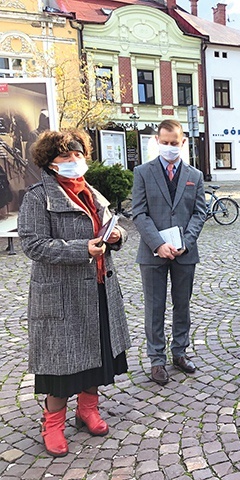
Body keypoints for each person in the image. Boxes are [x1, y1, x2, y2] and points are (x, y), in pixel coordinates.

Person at [17, 129, 130, 457]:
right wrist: (83, 249)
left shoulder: (92, 192)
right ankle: (52, 423)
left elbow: (113, 226)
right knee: (60, 363)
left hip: (98, 288)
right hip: (61, 294)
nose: (73, 161)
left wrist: (116, 236)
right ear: (50, 162)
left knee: (95, 356)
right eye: (65, 156)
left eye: (78, 154)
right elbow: (33, 244)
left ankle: (88, 409)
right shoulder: (38, 197)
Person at [131, 119, 206, 385]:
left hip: (185, 252)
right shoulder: (142, 172)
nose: (170, 147)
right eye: (165, 143)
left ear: (183, 143)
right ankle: (156, 360)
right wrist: (158, 244)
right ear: (157, 142)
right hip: (153, 253)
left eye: (174, 143)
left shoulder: (194, 176)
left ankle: (180, 352)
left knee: (182, 305)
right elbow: (138, 211)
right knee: (155, 307)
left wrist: (186, 240)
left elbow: (200, 212)